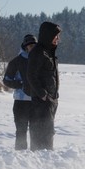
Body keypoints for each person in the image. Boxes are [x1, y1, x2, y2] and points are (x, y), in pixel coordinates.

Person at [26, 21, 61, 151]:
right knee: (41, 137)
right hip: (41, 103)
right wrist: (42, 94)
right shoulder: (38, 52)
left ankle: (47, 162)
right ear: (48, 35)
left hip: (50, 101)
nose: (58, 39)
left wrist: (54, 96)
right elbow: (31, 75)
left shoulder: (49, 53)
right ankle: (39, 164)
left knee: (48, 134)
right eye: (55, 36)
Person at [2, 34, 37, 150]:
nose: (32, 48)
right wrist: (21, 84)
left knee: (35, 132)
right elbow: (6, 80)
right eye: (30, 46)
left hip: (36, 102)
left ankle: (36, 158)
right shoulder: (16, 61)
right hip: (20, 102)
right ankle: (19, 158)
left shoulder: (40, 60)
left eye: (34, 46)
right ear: (25, 46)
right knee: (21, 132)